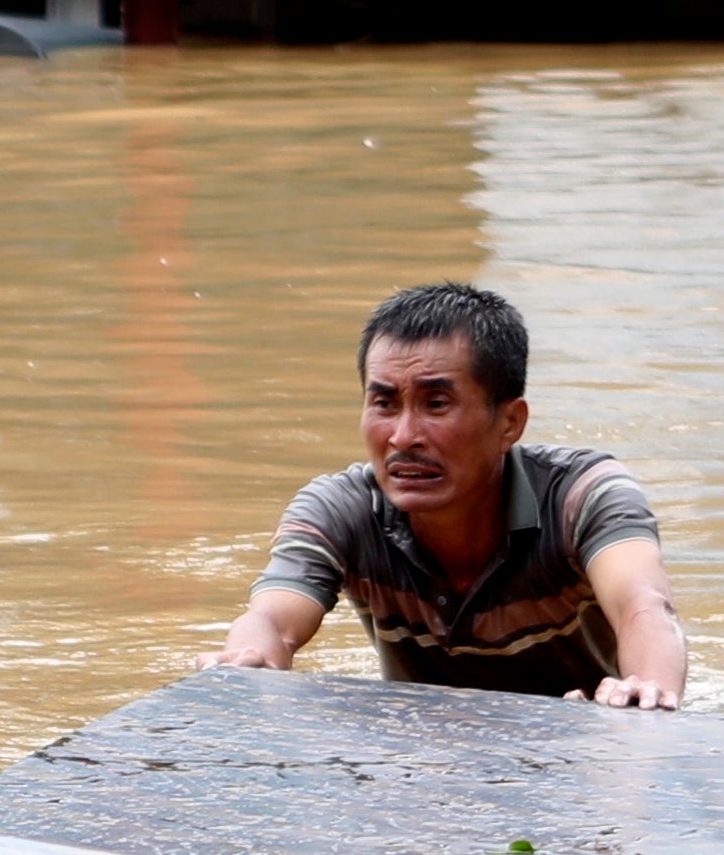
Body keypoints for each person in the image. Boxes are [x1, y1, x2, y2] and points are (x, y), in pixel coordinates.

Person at [204, 283, 686, 708]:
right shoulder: (341, 509)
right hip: (424, 753)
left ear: (510, 422)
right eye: (384, 404)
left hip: (584, 734)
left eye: (436, 404)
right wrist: (249, 665)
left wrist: (646, 689)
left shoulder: (583, 494)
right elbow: (271, 620)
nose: (403, 436)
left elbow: (643, 605)